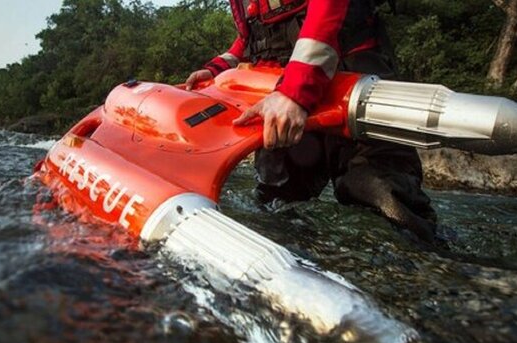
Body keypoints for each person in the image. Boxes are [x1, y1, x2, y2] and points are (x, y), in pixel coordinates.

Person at [185, 0, 437, 242]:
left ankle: (431, 272)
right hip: (279, 93)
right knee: (277, 204)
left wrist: (295, 90)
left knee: (382, 197)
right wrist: (219, 67)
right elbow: (253, 35)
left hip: (349, 77)